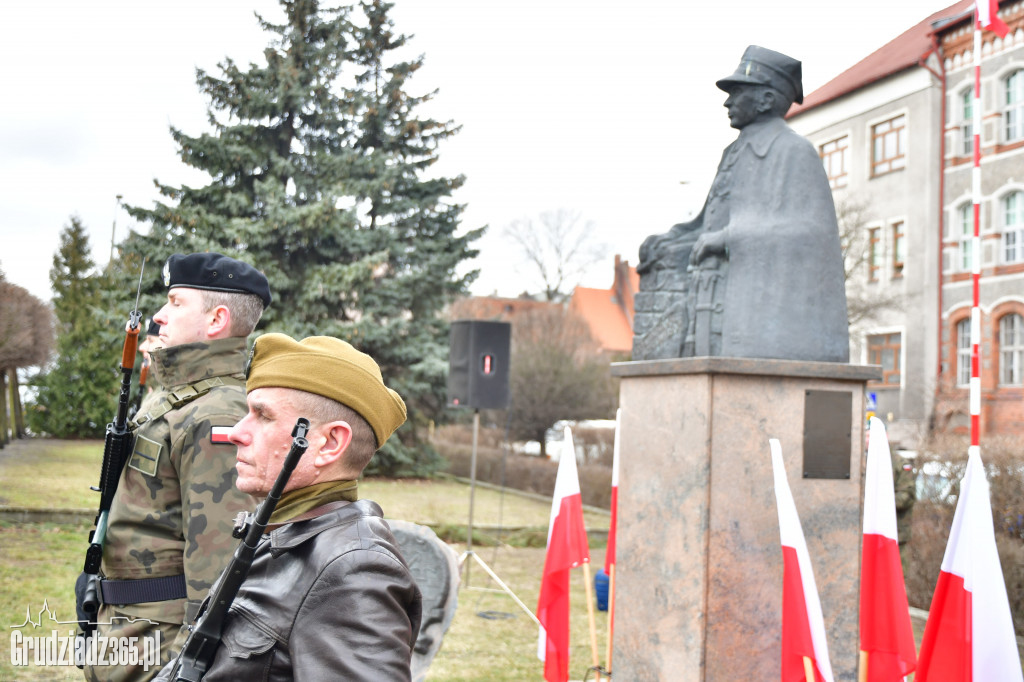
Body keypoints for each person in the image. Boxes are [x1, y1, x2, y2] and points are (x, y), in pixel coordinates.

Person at [156, 332, 421, 681]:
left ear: (328, 443)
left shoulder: (354, 568)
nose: (236, 431)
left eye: (263, 416)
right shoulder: (287, 535)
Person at [83, 252, 271, 682]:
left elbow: (222, 561)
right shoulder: (175, 399)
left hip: (164, 644)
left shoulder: (216, 412)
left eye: (176, 302)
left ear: (216, 319)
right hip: (131, 627)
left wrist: (190, 663)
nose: (159, 316)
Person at [637, 45, 849, 362]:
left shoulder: (794, 151)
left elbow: (812, 234)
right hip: (711, 303)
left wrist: (729, 239)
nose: (727, 101)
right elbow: (706, 223)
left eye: (738, 92)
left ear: (766, 100)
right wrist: (670, 240)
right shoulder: (732, 152)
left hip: (753, 315)